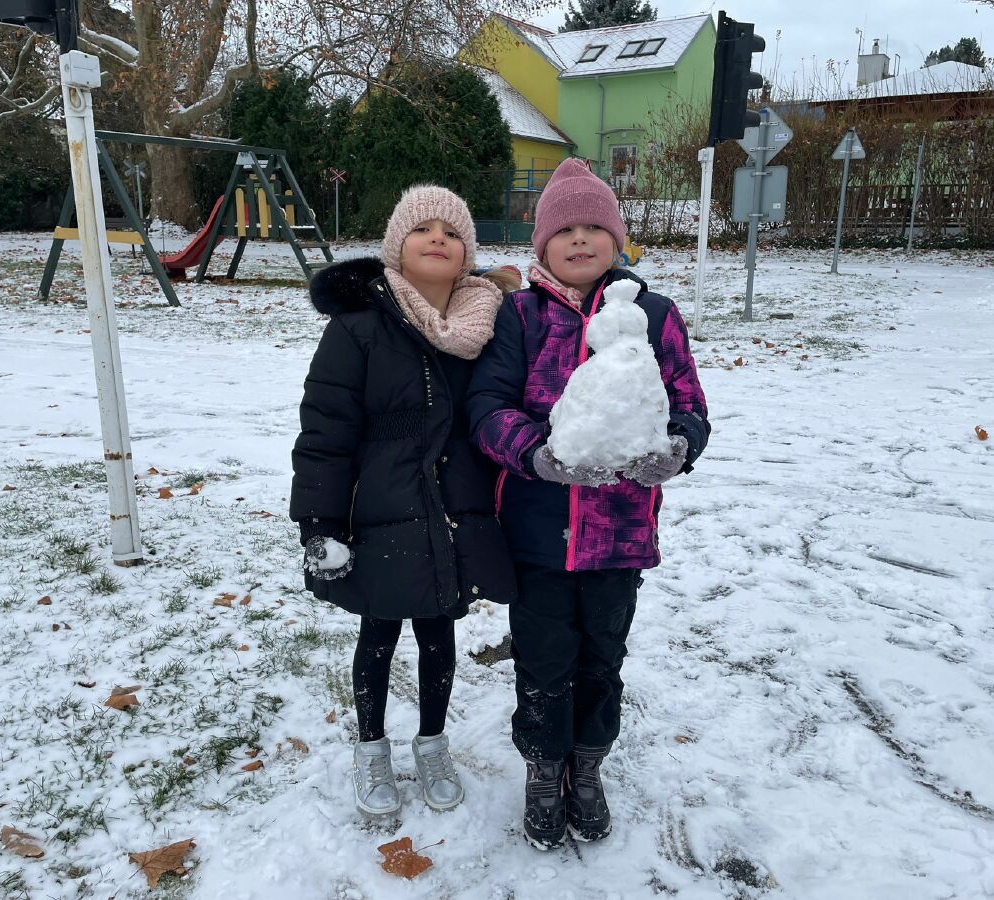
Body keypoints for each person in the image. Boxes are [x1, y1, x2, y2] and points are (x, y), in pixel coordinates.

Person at [466, 158, 710, 848]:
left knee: (602, 658)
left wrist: (678, 445)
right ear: (542, 245)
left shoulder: (652, 315)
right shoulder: (520, 316)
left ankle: (588, 765)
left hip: (620, 532)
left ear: (616, 239)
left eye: (593, 228)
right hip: (537, 531)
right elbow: (487, 405)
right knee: (544, 660)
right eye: (563, 230)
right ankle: (544, 769)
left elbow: (688, 402)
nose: (579, 240)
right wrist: (534, 454)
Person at [290, 186, 518, 817]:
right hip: (379, 508)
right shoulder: (359, 326)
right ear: (397, 247)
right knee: (379, 630)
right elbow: (326, 428)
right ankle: (371, 749)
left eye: (453, 231)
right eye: (423, 229)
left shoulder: (486, 324)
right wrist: (320, 521)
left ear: (467, 254)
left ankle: (432, 743)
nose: (438, 237)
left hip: (454, 505)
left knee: (439, 629)